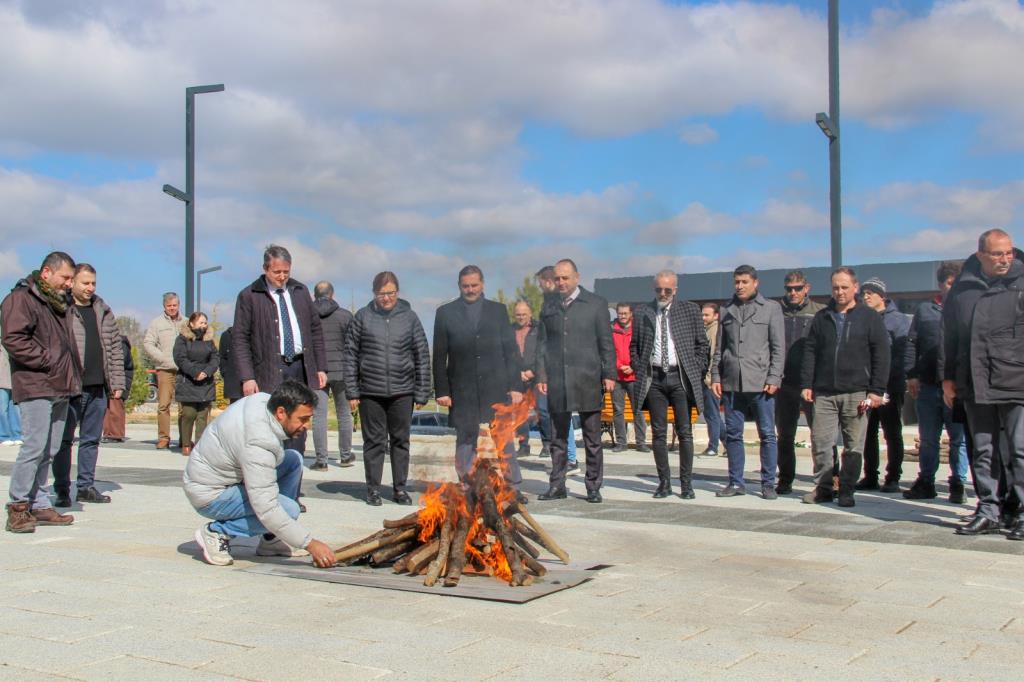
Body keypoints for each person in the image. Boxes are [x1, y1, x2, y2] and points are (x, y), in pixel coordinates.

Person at [184, 380, 337, 568]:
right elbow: (267, 508)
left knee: (292, 460)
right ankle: (217, 532)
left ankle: (270, 539)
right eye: (303, 419)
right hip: (210, 494)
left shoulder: (264, 401)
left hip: (223, 478)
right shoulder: (259, 444)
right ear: (281, 412)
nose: (307, 425)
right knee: (289, 510)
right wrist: (310, 544)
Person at [943, 229, 1024, 538]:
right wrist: (948, 377)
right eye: (997, 254)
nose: (1004, 259)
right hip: (974, 381)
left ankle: (1020, 511)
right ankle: (989, 510)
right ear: (980, 256)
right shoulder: (962, 290)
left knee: (1019, 449)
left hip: (1016, 380)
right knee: (984, 450)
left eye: (1008, 253)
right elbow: (950, 337)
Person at [3, 251, 81, 533]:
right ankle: (18, 507)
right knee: (34, 447)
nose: (69, 284)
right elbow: (13, 338)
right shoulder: (21, 299)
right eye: (65, 278)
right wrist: (47, 361)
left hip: (60, 385)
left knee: (49, 449)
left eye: (71, 279)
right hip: (36, 383)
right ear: (47, 272)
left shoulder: (59, 303)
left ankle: (39, 502)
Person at [800, 267, 890, 507]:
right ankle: (825, 488)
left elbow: (881, 354)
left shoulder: (869, 317)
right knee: (821, 442)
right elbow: (810, 351)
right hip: (825, 392)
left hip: (857, 392)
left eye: (844, 287)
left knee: (853, 446)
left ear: (855, 288)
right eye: (835, 288)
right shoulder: (822, 317)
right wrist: (807, 383)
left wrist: (876, 390)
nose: (839, 292)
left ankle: (848, 490)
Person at [343, 271, 431, 506]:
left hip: (403, 391)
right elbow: (350, 355)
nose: (386, 298)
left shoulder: (410, 318)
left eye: (390, 293)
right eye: (382, 294)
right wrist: (352, 391)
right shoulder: (362, 317)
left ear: (397, 292)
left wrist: (423, 390)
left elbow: (421, 354)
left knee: (401, 441)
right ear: (374, 294)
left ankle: (399, 489)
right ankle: (372, 489)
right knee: (374, 443)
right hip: (370, 392)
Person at [433, 266, 524, 490]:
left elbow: (510, 351)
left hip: (496, 385)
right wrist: (442, 391)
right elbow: (439, 355)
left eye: (474, 285)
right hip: (462, 387)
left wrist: (515, 386)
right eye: (466, 286)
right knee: (465, 438)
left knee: (503, 438)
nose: (470, 289)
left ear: (482, 284)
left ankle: (512, 486)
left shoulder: (498, 310)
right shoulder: (445, 313)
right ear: (459, 286)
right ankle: (467, 484)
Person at [232, 245, 327, 453]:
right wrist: (247, 377)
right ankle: (269, 482)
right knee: (270, 428)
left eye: (286, 271)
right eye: (277, 272)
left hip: (300, 368)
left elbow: (315, 330)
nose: (282, 276)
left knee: (297, 427)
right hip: (268, 370)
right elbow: (240, 339)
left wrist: (320, 367)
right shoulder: (249, 295)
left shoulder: (300, 291)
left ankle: (293, 481)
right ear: (265, 269)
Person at [536, 259, 616, 503]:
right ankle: (557, 485)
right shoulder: (548, 306)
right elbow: (541, 343)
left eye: (565, 278)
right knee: (557, 438)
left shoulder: (596, 304)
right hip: (558, 380)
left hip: (587, 379)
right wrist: (541, 374)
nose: (561, 282)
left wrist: (609, 374)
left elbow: (606, 342)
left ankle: (593, 486)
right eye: (557, 278)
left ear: (577, 277)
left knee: (592, 439)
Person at [630, 270, 709, 499]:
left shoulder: (689, 310)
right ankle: (664, 483)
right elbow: (634, 346)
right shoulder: (643, 311)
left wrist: (696, 367)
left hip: (680, 378)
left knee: (685, 432)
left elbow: (702, 345)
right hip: (653, 379)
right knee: (658, 433)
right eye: (658, 290)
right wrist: (638, 365)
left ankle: (686, 483)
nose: (662, 294)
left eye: (667, 290)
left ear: (675, 289)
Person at [52, 263, 125, 506]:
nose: (90, 288)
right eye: (85, 283)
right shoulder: (62, 308)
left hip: (97, 387)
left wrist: (116, 382)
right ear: (72, 282)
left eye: (93, 283)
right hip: (70, 386)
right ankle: (62, 489)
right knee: (64, 440)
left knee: (91, 440)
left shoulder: (102, 309)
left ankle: (85, 486)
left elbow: (115, 348)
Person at [711, 265, 785, 499]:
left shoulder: (771, 309)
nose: (739, 286)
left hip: (761, 381)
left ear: (755, 283)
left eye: (744, 282)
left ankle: (768, 483)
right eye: (737, 282)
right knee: (733, 434)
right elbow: (719, 348)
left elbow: (778, 347)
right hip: (732, 382)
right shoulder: (727, 310)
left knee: (767, 434)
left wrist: (774, 377)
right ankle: (735, 482)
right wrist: (715, 375)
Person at [904, 261, 969, 503]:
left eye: (957, 283)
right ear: (941, 284)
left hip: (956, 387)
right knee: (929, 438)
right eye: (949, 283)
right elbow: (912, 344)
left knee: (958, 438)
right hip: (929, 385)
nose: (953, 287)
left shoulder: (967, 309)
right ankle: (927, 481)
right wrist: (911, 375)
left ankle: (958, 483)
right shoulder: (925, 311)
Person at [857, 277, 913, 493]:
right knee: (867, 432)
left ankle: (893, 477)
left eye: (870, 292)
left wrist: (896, 379)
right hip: (865, 385)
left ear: (882, 295)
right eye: (864, 293)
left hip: (890, 385)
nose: (866, 296)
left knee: (891, 432)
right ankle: (870, 475)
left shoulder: (898, 320)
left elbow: (903, 352)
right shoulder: (862, 318)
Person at [776, 271, 826, 495]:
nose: (793, 292)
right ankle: (785, 480)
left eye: (797, 288)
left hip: (811, 384)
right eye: (789, 288)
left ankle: (827, 480)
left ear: (807, 288)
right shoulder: (776, 311)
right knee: (785, 435)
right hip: (783, 383)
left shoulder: (820, 313)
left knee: (820, 435)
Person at [310, 281, 355, 471]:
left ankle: (321, 461)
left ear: (314, 296)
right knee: (344, 415)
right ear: (333, 295)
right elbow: (353, 347)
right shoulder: (345, 316)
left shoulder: (307, 316)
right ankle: (345, 456)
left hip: (318, 372)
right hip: (342, 372)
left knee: (318, 416)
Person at [536, 265, 577, 467]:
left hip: (566, 368)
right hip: (552, 368)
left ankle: (569, 458)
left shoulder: (560, 302)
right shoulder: (548, 304)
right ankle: (562, 456)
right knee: (554, 414)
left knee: (563, 414)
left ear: (549, 281)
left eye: (541, 283)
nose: (540, 287)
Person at [173, 312, 219, 457]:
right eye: (201, 322)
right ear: (192, 324)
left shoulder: (209, 340)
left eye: (205, 322)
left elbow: (215, 358)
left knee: (202, 415)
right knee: (188, 413)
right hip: (188, 381)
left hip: (205, 382)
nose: (204, 325)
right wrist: (194, 372)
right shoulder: (182, 339)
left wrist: (206, 372)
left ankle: (200, 445)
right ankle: (186, 444)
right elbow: (180, 358)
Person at [144, 292, 182, 449]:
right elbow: (148, 343)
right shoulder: (156, 323)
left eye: (174, 305)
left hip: (183, 371)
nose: (172, 308)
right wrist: (162, 358)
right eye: (169, 306)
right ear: (164, 307)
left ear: (178, 305)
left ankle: (184, 439)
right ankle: (163, 438)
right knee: (164, 405)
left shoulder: (186, 322)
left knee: (184, 407)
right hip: (164, 370)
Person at [611, 302, 648, 452]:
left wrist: (633, 366)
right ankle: (621, 443)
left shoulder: (638, 329)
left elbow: (643, 351)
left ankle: (641, 443)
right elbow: (608, 352)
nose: (623, 316)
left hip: (635, 376)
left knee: (637, 410)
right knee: (618, 410)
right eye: (620, 313)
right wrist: (619, 365)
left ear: (631, 314)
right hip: (617, 376)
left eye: (625, 313)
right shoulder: (611, 329)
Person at [512, 300, 547, 457]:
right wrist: (516, 373)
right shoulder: (509, 330)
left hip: (537, 377)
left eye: (524, 314)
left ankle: (547, 445)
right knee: (520, 414)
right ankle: (523, 446)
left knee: (543, 411)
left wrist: (532, 372)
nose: (521, 317)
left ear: (530, 314)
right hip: (517, 377)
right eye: (518, 314)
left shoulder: (539, 329)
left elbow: (544, 354)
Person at [700, 303, 724, 457]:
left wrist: (710, 379)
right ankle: (728, 442)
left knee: (712, 414)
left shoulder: (714, 331)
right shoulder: (707, 330)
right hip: (707, 379)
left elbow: (714, 356)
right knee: (712, 413)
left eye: (707, 315)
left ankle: (713, 446)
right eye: (702, 314)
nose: (703, 317)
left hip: (711, 381)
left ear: (716, 316)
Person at [101, 334, 134, 443]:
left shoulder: (121, 343)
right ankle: (108, 433)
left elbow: (120, 361)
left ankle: (116, 434)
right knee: (108, 408)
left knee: (116, 406)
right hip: (111, 378)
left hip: (120, 379)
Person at [0, 325, 24, 447]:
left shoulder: (10, 340)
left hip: (12, 379)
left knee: (14, 409)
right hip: (2, 380)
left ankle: (17, 434)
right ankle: (3, 435)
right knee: (2, 409)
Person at [218, 326, 242, 404]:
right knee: (235, 411)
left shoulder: (255, 334)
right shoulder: (226, 335)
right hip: (234, 383)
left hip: (254, 382)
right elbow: (222, 357)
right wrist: (225, 372)